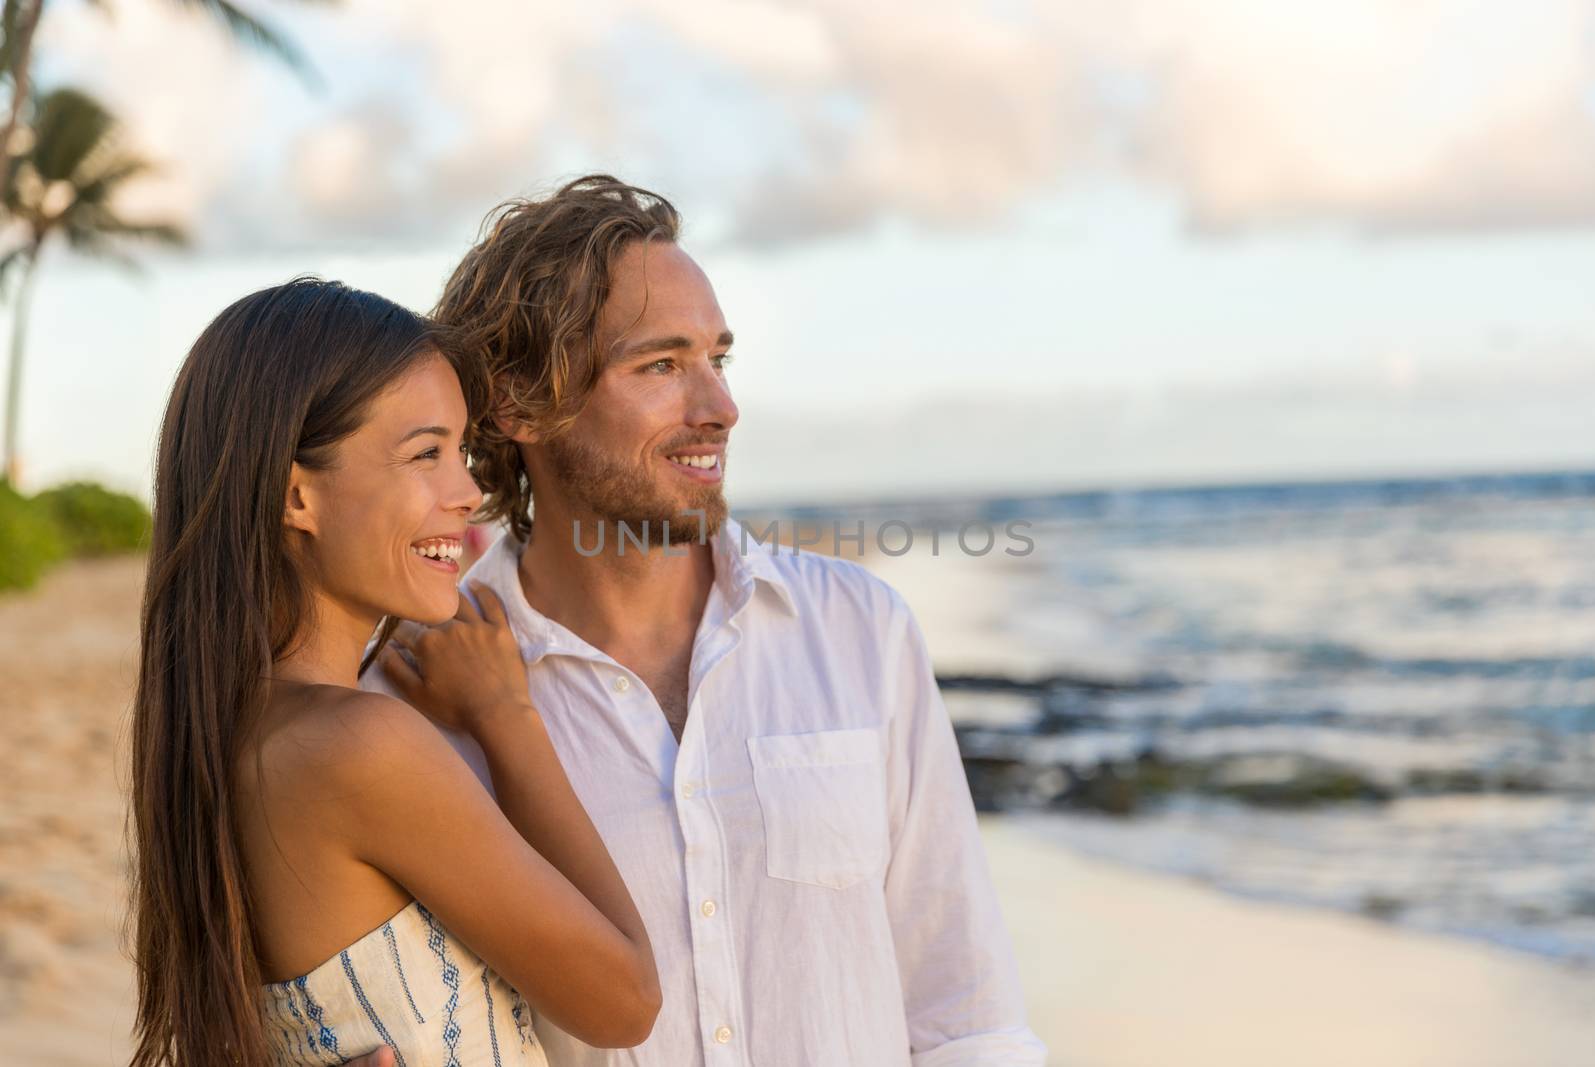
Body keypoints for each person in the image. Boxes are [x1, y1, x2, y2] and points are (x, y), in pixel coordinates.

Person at [360, 175, 1048, 1065]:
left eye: (717, 359)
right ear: (519, 405)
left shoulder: (859, 632)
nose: (719, 407)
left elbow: (965, 1015)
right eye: (660, 364)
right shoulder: (417, 696)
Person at [127, 278, 661, 1067]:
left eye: (463, 453)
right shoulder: (362, 745)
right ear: (296, 494)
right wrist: (506, 714)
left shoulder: (226, 731)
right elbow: (624, 999)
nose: (469, 493)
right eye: (427, 453)